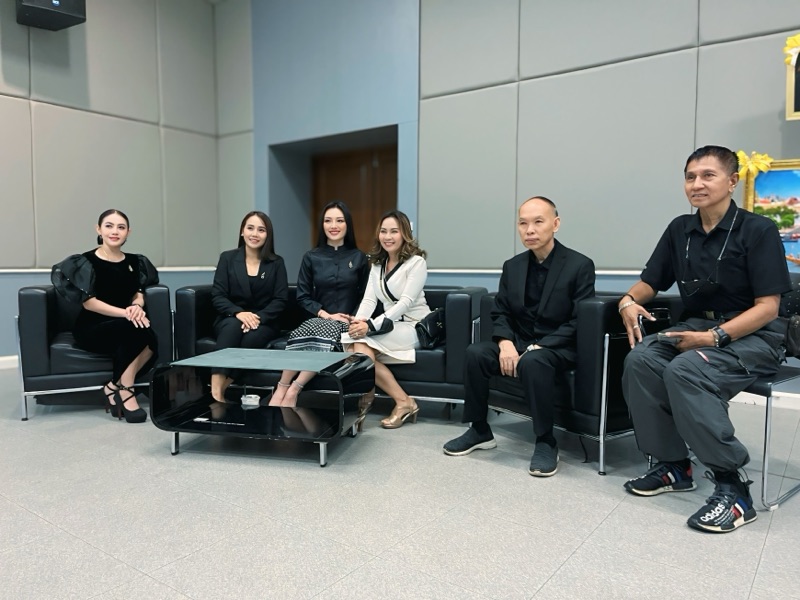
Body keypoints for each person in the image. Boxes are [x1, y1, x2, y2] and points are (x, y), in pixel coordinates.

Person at [619, 145, 791, 533]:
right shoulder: (679, 229)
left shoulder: (758, 230)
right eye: (690, 177)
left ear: (732, 181)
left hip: (756, 334)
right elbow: (650, 282)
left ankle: (734, 489)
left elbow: (768, 307)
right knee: (641, 360)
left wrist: (713, 337)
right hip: (697, 326)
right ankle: (673, 466)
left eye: (708, 176)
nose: (697, 184)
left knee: (686, 370)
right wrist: (627, 301)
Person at [443, 196, 595, 476]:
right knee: (476, 353)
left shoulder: (579, 265)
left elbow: (578, 321)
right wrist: (505, 344)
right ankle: (479, 429)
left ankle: (546, 441)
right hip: (519, 342)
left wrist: (538, 346)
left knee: (534, 361)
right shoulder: (512, 266)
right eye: (523, 223)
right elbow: (501, 312)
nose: (530, 230)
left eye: (538, 222)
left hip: (558, 346)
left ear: (555, 224)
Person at [51, 209, 159, 423]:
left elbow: (138, 292)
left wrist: (137, 305)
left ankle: (113, 387)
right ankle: (127, 392)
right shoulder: (85, 262)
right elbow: (89, 303)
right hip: (92, 326)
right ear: (98, 229)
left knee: (150, 338)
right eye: (109, 226)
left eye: (121, 227)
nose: (115, 231)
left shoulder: (136, 261)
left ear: (128, 232)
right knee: (136, 330)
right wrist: (126, 313)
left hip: (125, 322)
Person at [269, 201, 369, 407]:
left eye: (339, 221)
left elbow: (366, 296)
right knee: (309, 328)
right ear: (322, 225)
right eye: (328, 220)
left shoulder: (358, 257)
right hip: (318, 318)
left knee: (328, 329)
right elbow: (302, 296)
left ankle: (294, 388)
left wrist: (353, 318)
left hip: (348, 323)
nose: (334, 225)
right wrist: (325, 315)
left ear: (347, 225)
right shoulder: (311, 257)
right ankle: (282, 385)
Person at [341, 210, 431, 429]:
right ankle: (403, 401)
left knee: (360, 346)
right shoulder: (377, 264)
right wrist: (358, 323)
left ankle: (368, 397)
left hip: (414, 326)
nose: (387, 237)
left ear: (404, 234)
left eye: (394, 232)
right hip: (390, 327)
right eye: (383, 231)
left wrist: (370, 325)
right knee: (355, 345)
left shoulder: (416, 263)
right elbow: (369, 300)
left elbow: (405, 303)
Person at [210, 211, 288, 403]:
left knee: (251, 338)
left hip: (264, 321)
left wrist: (256, 318)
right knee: (232, 327)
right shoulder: (227, 258)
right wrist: (239, 313)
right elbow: (218, 295)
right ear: (242, 231)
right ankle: (215, 390)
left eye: (261, 230)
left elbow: (280, 300)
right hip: (231, 317)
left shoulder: (276, 263)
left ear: (268, 235)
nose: (255, 234)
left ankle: (222, 388)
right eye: (250, 228)